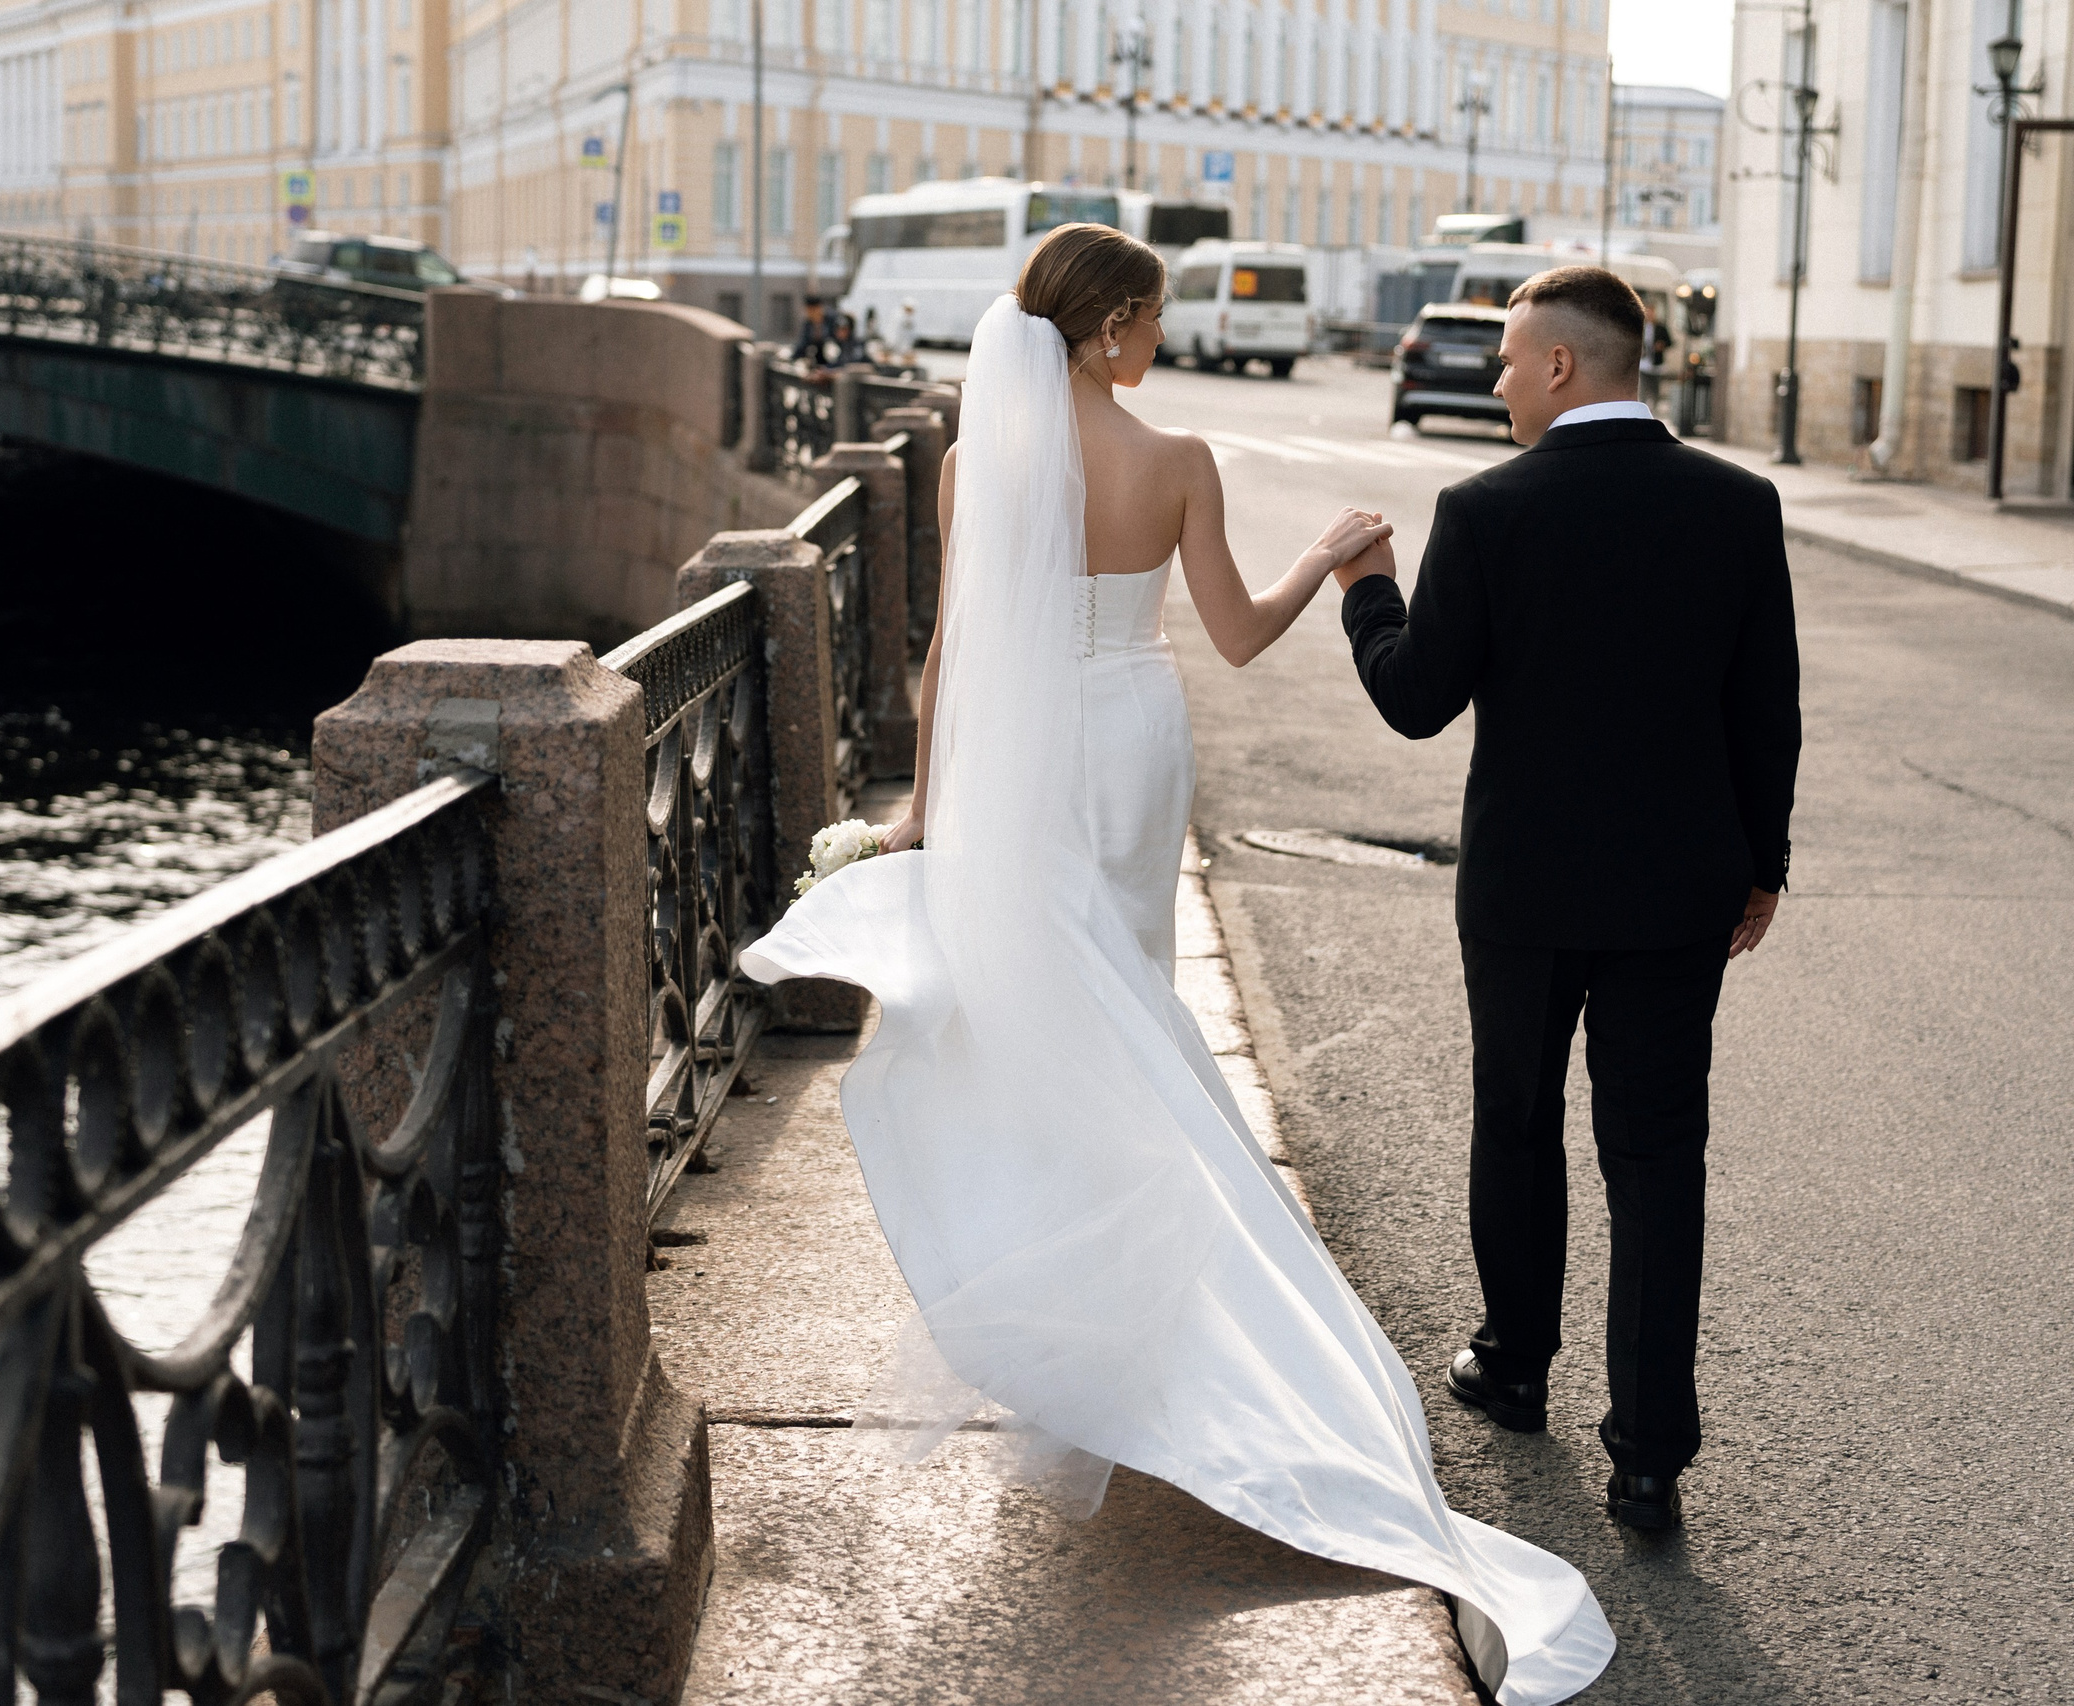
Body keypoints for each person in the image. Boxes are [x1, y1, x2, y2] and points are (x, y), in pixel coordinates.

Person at [739, 224, 1616, 1706]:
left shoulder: (978, 462)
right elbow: (1240, 633)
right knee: (1134, 1006)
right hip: (1134, 741)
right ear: (1111, 329)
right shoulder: (1179, 460)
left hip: (1019, 756)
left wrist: (924, 809)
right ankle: (1155, 1319)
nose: (1157, 339)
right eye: (1147, 318)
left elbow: (950, 650)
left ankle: (1078, 1306)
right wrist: (1326, 558)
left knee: (1058, 1015)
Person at [1331, 265, 1801, 1534]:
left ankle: (1514, 1365)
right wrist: (1762, 864)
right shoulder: (1737, 502)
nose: (1494, 381)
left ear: (1556, 364)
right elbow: (1765, 707)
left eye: (1503, 359)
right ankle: (1648, 1458)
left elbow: (1416, 697)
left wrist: (1366, 588)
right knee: (1657, 1157)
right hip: (1680, 887)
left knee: (1518, 1120)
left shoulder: (1486, 508)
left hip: (1526, 888)